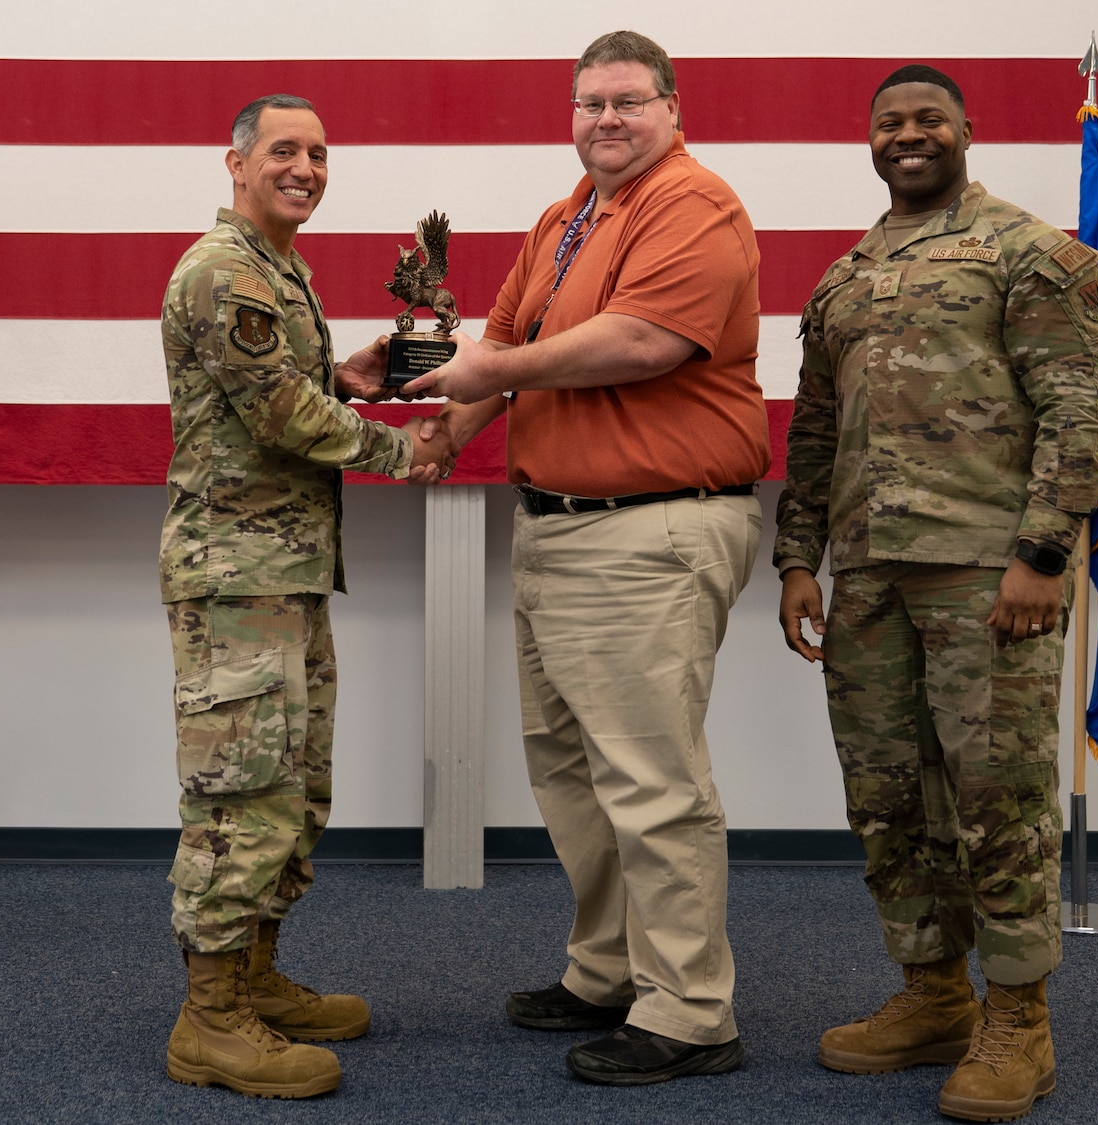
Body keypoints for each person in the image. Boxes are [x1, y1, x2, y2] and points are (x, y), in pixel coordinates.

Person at [402, 30, 768, 1087]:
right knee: (570, 771)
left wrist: (492, 366)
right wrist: (440, 436)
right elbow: (501, 355)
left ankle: (691, 1012)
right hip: (557, 529)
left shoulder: (690, 205)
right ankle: (608, 968)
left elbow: (640, 342)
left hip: (649, 531)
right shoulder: (564, 219)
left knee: (650, 782)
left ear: (671, 108)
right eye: (589, 103)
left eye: (627, 101)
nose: (606, 120)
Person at [773, 65, 1098, 1122]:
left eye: (928, 119)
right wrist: (796, 558)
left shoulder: (1029, 252)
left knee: (996, 799)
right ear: (868, 141)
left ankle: (1018, 1019)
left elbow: (1079, 409)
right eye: (889, 123)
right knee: (889, 797)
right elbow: (814, 432)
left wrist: (1043, 555)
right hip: (866, 573)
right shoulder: (840, 279)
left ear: (964, 131)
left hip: (985, 573)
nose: (908, 135)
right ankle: (929, 992)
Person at [157, 93, 447, 1099]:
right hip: (237, 577)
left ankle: (255, 977)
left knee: (292, 789)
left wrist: (345, 371)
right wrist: (392, 449)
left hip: (282, 572)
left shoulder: (277, 271)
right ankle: (209, 1020)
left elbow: (286, 383)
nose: (306, 167)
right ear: (232, 161)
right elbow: (275, 413)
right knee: (240, 796)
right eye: (285, 150)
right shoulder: (224, 269)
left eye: (319, 153)